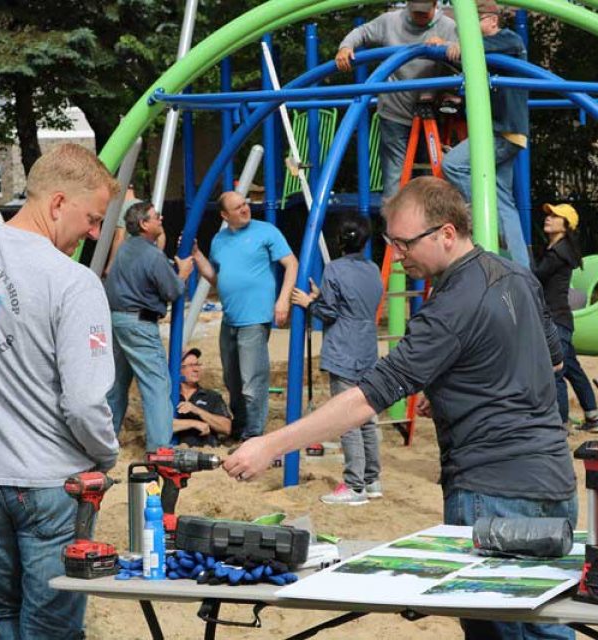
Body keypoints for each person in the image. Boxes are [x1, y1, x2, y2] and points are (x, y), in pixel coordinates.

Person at [225, 177, 577, 640]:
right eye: (391, 241)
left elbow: (367, 397)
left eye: (405, 242)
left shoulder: (449, 308)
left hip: (493, 492)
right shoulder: (515, 274)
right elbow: (551, 359)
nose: (397, 253)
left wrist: (271, 444)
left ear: (446, 234)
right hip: (555, 483)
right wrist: (458, 382)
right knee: (549, 626)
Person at [0, 143, 121, 639]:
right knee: (51, 625)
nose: (94, 233)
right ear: (56, 204)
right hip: (51, 483)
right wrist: (106, 455)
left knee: (5, 614)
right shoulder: (72, 282)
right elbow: (84, 401)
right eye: (92, 219)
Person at [291, 213, 383, 505]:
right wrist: (323, 299)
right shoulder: (372, 269)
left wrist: (310, 303)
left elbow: (329, 312)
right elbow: (351, 303)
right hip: (368, 347)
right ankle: (372, 480)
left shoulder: (334, 269)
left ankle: (354, 486)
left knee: (346, 419)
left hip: (343, 348)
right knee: (367, 415)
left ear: (339, 240)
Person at [192, 191, 298, 441]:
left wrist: (283, 300)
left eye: (245, 204)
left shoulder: (266, 231)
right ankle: (239, 427)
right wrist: (197, 256)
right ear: (224, 215)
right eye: (237, 207)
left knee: (252, 380)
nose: (244, 209)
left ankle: (253, 434)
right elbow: (218, 278)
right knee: (232, 378)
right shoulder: (219, 240)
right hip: (230, 317)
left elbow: (291, 263)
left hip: (255, 317)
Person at [335, 0, 457, 199]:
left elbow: (465, 53)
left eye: (424, 12)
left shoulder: (448, 27)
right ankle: (391, 228)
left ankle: (429, 226)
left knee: (432, 179)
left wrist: (446, 47)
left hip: (430, 114)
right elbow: (362, 32)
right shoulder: (390, 21)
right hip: (395, 110)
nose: (419, 16)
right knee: (394, 178)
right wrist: (346, 47)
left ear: (435, 5)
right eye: (416, 11)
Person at [441, 0, 530, 268]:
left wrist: (460, 46)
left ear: (492, 20)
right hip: (506, 132)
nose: (467, 30)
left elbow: (478, 48)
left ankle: (480, 213)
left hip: (502, 131)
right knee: (504, 201)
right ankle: (523, 269)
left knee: (453, 165)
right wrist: (444, 48)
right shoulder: (488, 51)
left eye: (474, 22)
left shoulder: (509, 41)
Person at [105, 200, 193, 451]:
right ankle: (159, 449)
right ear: (144, 224)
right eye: (156, 217)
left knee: (117, 385)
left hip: (117, 320)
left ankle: (104, 442)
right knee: (156, 385)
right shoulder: (151, 254)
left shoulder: (125, 249)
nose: (161, 219)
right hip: (139, 323)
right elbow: (173, 290)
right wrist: (183, 274)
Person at [533, 202, 598, 432]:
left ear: (566, 225)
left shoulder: (558, 253)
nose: (548, 218)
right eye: (549, 214)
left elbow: (536, 277)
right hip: (561, 319)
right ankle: (592, 415)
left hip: (556, 320)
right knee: (571, 367)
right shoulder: (559, 250)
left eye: (555, 216)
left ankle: (560, 423)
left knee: (556, 371)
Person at [174, 347, 233, 447]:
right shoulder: (168, 397)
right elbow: (160, 427)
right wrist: (193, 423)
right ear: (178, 369)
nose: (196, 369)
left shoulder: (212, 396)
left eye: (197, 364)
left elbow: (226, 428)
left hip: (206, 454)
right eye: (191, 365)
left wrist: (197, 411)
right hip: (175, 454)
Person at [104, 184, 166, 275]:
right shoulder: (143, 207)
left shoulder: (124, 207)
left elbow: (119, 237)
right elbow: (161, 235)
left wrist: (110, 266)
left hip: (127, 262)